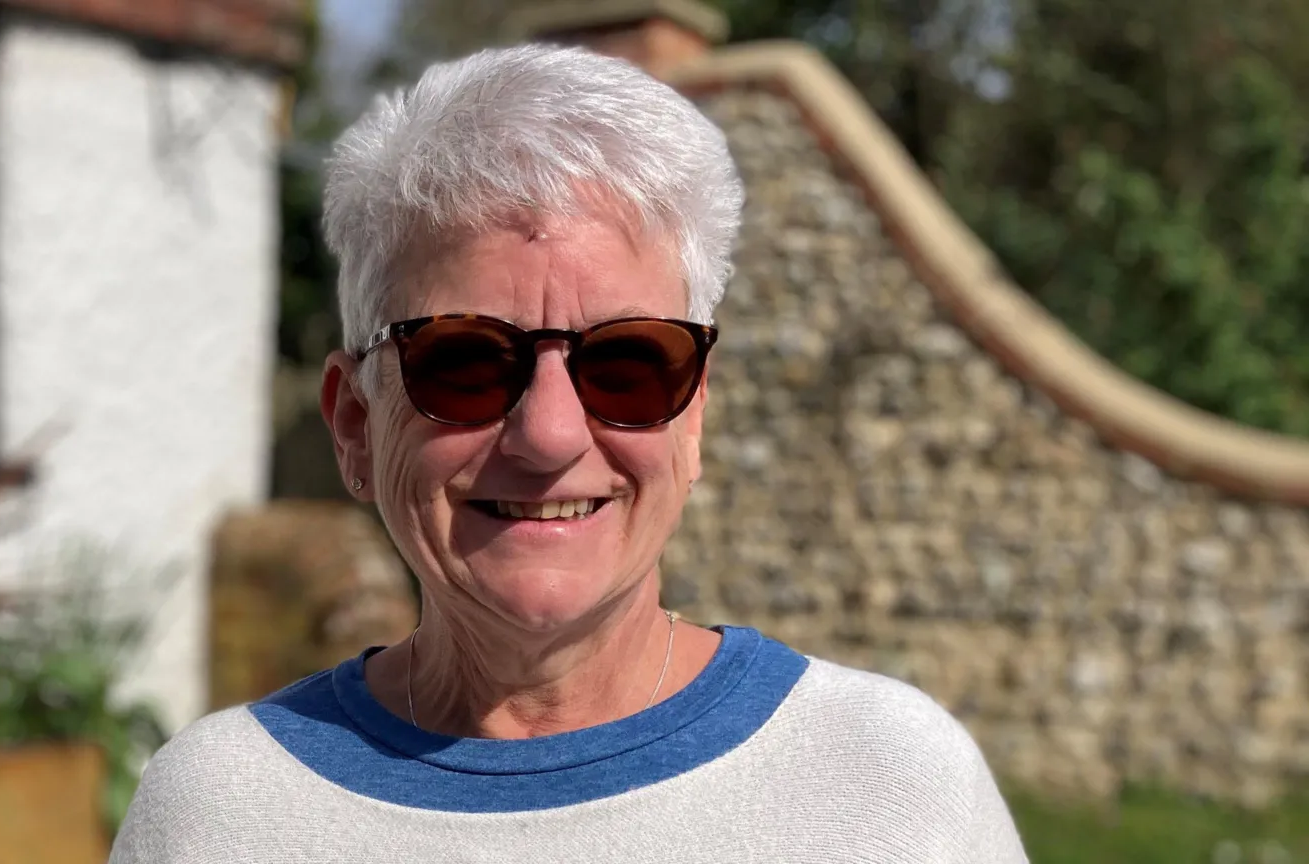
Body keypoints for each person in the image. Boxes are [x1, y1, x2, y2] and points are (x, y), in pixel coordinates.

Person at [110, 43, 1028, 864]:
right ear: (354, 420)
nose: (550, 435)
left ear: (695, 415)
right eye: (463, 361)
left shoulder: (895, 791)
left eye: (630, 364)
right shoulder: (214, 816)